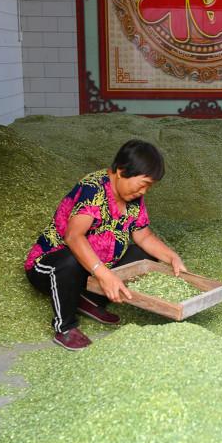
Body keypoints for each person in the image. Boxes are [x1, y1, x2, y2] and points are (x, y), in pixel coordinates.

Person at [25, 139, 186, 351]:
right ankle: (65, 327)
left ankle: (88, 300)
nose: (145, 191)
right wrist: (104, 274)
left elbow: (144, 237)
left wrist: (172, 257)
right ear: (121, 171)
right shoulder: (93, 189)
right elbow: (73, 237)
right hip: (51, 267)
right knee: (70, 259)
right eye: (143, 183)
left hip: (91, 268)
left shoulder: (133, 197)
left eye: (150, 186)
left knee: (141, 254)